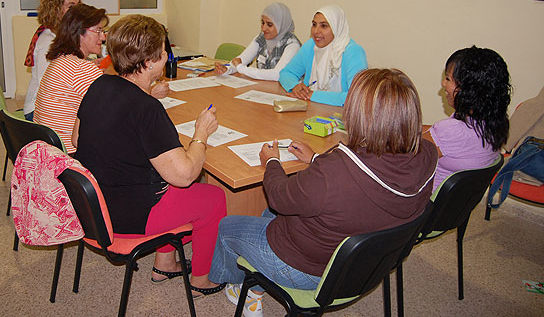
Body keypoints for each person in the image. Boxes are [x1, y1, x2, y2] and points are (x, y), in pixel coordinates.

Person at [209, 68, 437, 317]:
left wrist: (272, 163)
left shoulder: (334, 172)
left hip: (306, 270)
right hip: (366, 264)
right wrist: (317, 159)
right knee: (267, 214)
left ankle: (230, 284)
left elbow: (279, 197)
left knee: (228, 227)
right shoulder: (427, 154)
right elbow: (357, 182)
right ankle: (258, 288)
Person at [73, 14, 227, 297]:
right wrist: (201, 133)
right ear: (150, 61)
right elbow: (184, 175)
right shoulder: (147, 109)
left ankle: (165, 263)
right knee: (212, 198)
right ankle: (201, 280)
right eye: (164, 51)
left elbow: (75, 139)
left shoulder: (98, 86)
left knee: (163, 178)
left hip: (93, 204)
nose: (167, 55)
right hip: (126, 216)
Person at [424, 46, 511, 192]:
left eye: (448, 79)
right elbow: (435, 135)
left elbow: (405, 158)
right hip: (453, 209)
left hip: (425, 205)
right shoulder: (491, 124)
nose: (443, 84)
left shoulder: (451, 131)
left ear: (469, 89)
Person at [33, 4, 106, 154]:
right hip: (69, 154)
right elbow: (119, 110)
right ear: (79, 33)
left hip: (48, 149)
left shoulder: (61, 60)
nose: (103, 37)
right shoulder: (81, 68)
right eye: (98, 31)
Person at [279, 5, 367, 106]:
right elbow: (286, 73)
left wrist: (312, 95)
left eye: (324, 26)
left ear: (336, 27)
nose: (316, 31)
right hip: (311, 108)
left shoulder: (353, 52)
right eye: (314, 24)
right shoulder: (311, 45)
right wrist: (295, 86)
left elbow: (357, 97)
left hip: (342, 115)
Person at [23, 0, 80, 121]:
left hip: (47, 105)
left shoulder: (59, 35)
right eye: (71, 6)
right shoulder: (48, 42)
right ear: (55, 9)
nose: (77, 11)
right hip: (38, 111)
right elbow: (49, 86)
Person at [214, 2, 301, 81]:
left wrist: (242, 68)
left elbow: (277, 75)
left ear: (281, 25)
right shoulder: (262, 37)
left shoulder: (292, 44)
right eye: (262, 23)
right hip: (264, 89)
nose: (263, 28)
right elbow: (241, 60)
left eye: (269, 25)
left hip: (286, 93)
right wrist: (228, 69)